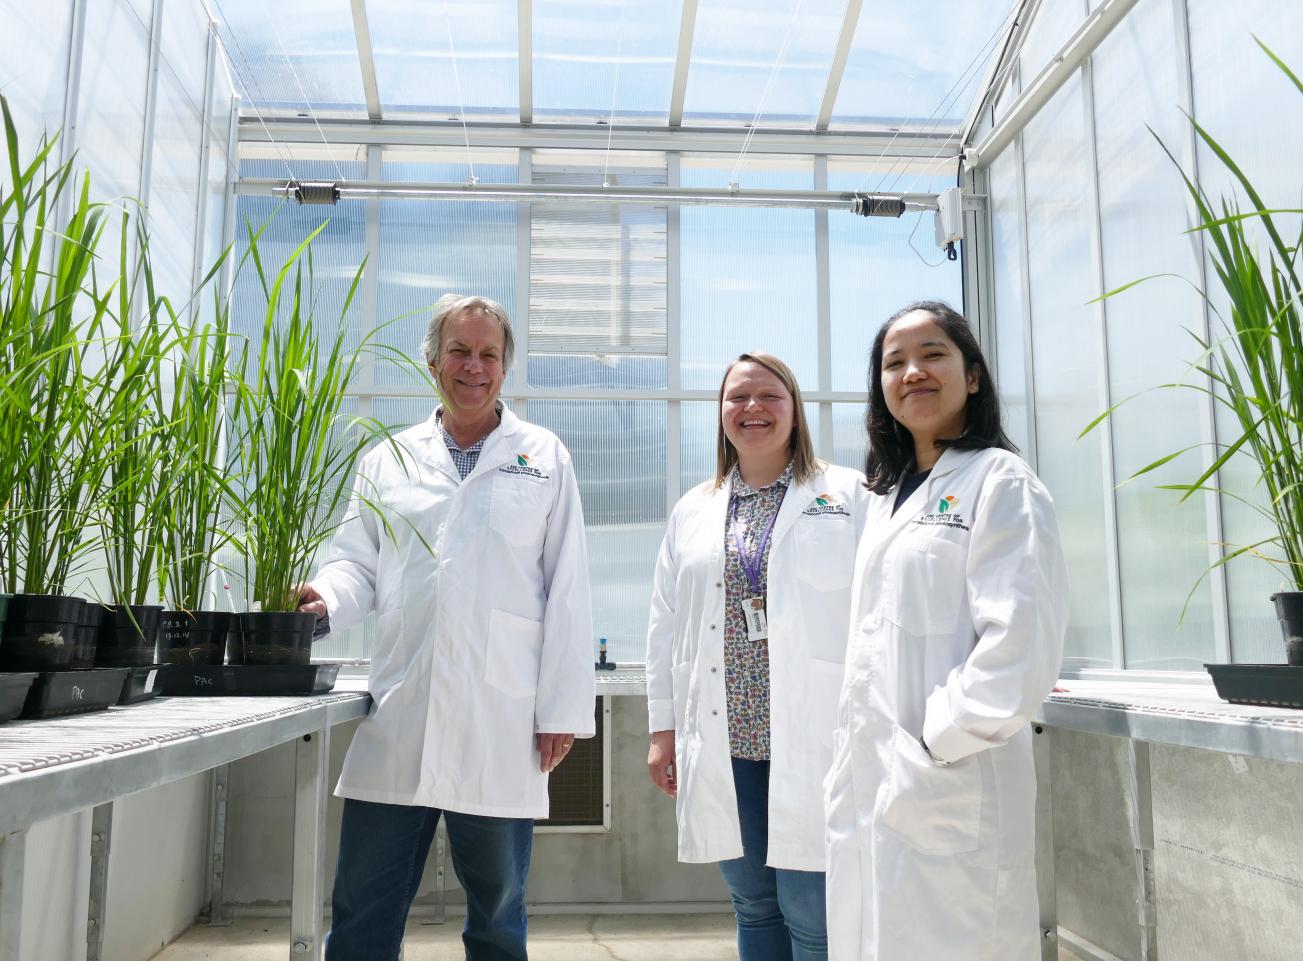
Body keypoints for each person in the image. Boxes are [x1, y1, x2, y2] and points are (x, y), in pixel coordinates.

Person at [296, 294, 596, 961]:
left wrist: (562, 709)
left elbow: (568, 589)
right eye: (459, 351)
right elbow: (356, 565)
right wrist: (321, 599)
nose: (474, 366)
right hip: (400, 715)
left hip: (502, 721)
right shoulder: (389, 460)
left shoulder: (543, 456)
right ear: (432, 361)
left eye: (489, 354)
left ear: (506, 367)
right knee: (362, 915)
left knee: (497, 915)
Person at [824, 301, 1068, 961]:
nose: (913, 372)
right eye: (894, 361)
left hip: (949, 777)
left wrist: (933, 743)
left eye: (933, 353)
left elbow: (1019, 651)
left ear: (974, 376)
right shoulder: (887, 496)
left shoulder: (1001, 483)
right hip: (883, 781)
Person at [645, 352, 867, 961]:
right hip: (727, 739)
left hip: (817, 736)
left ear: (795, 410)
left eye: (769, 396)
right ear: (720, 414)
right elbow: (665, 624)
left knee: (814, 915)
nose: (752, 409)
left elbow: (878, 614)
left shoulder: (847, 494)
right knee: (753, 904)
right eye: (737, 397)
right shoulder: (694, 508)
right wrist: (663, 731)